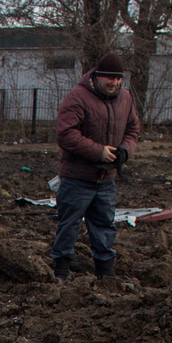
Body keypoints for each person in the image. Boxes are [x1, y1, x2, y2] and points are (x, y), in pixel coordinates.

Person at [51, 51, 142, 283]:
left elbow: (133, 129)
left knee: (104, 225)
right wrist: (98, 151)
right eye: (110, 79)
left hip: (106, 179)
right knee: (68, 225)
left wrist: (125, 150)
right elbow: (66, 134)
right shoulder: (78, 98)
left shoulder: (125, 98)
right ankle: (60, 273)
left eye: (119, 79)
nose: (115, 83)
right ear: (97, 75)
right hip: (77, 177)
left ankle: (106, 274)